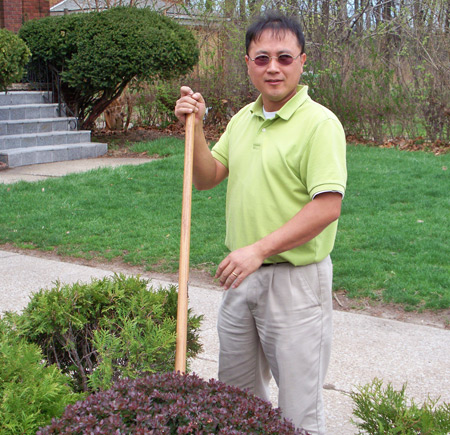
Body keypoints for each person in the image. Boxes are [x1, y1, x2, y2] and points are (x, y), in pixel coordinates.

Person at [174, 11, 347, 435]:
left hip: (295, 283)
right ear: (248, 62)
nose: (273, 67)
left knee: (298, 410)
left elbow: (327, 207)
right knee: (236, 401)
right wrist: (193, 127)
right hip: (241, 279)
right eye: (262, 57)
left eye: (284, 58)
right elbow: (206, 177)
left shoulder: (320, 124)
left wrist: (258, 250)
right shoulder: (242, 120)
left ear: (302, 62)